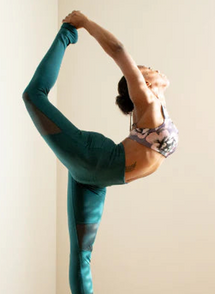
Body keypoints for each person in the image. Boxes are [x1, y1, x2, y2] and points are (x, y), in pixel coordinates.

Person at [22, 10, 179, 294]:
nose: (154, 69)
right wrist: (83, 23)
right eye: (147, 69)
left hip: (97, 177)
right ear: (141, 81)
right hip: (95, 158)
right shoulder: (144, 97)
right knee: (33, 96)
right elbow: (118, 50)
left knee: (82, 255)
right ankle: (66, 35)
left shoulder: (157, 107)